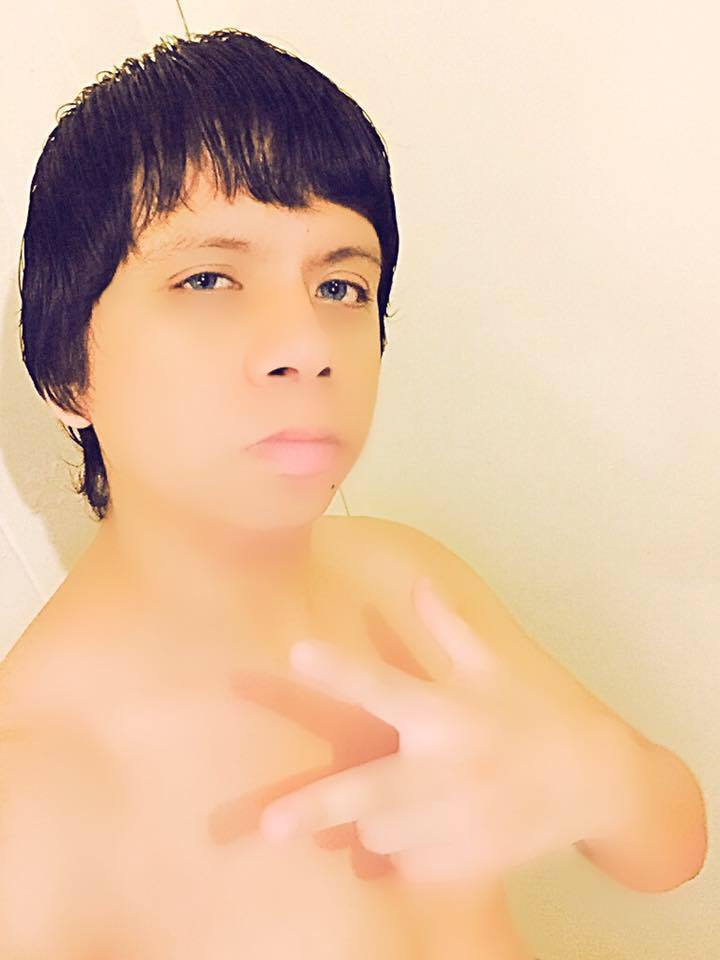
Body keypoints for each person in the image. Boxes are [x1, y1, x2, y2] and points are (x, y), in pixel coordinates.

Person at [2, 27, 704, 960]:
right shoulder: (34, 794)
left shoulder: (400, 577)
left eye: (340, 285)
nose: (308, 344)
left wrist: (595, 778)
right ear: (65, 373)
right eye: (208, 278)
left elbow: (671, 855)